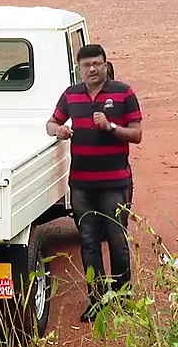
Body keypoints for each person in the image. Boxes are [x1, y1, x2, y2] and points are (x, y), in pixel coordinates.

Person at [45, 44, 143, 322]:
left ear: (105, 64)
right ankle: (97, 299)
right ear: (79, 68)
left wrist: (110, 127)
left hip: (114, 183)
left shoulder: (124, 93)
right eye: (86, 65)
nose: (92, 69)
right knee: (88, 243)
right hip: (82, 184)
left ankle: (123, 298)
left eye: (97, 64)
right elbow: (51, 123)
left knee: (117, 240)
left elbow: (136, 135)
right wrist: (60, 130)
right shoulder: (71, 95)